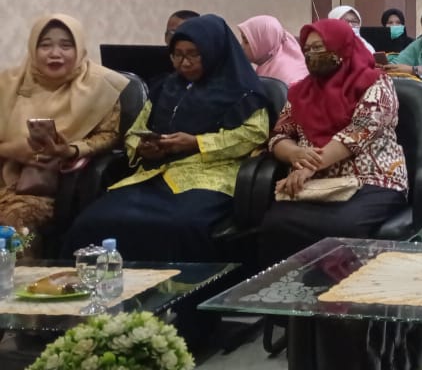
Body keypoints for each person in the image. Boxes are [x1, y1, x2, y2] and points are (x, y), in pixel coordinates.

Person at [64, 14, 270, 261]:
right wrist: (142, 147)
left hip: (210, 176)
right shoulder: (165, 87)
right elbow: (135, 131)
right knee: (92, 221)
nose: (184, 63)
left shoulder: (244, 91)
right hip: (154, 175)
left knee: (182, 227)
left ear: (214, 52)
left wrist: (197, 143)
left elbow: (254, 134)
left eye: (193, 54)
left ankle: (186, 286)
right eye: (177, 55)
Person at [259, 18, 408, 263]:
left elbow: (359, 131)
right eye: (307, 49)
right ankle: (289, 286)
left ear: (342, 46)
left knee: (342, 227)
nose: (311, 55)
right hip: (314, 184)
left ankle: (345, 287)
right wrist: (294, 153)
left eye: (319, 47)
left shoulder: (376, 83)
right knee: (274, 223)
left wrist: (309, 166)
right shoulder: (301, 91)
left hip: (370, 180)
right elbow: (279, 135)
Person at [0, 15, 128, 235]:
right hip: (4, 175)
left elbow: (109, 134)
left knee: (13, 225)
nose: (55, 54)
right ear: (33, 48)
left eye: (66, 46)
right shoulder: (8, 83)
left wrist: (70, 150)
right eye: (45, 45)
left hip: (50, 188)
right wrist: (10, 150)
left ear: (79, 49)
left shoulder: (100, 86)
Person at [237, 15, 309, 86]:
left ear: (265, 43)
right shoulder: (267, 64)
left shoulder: (284, 80)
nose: (241, 46)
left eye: (246, 42)